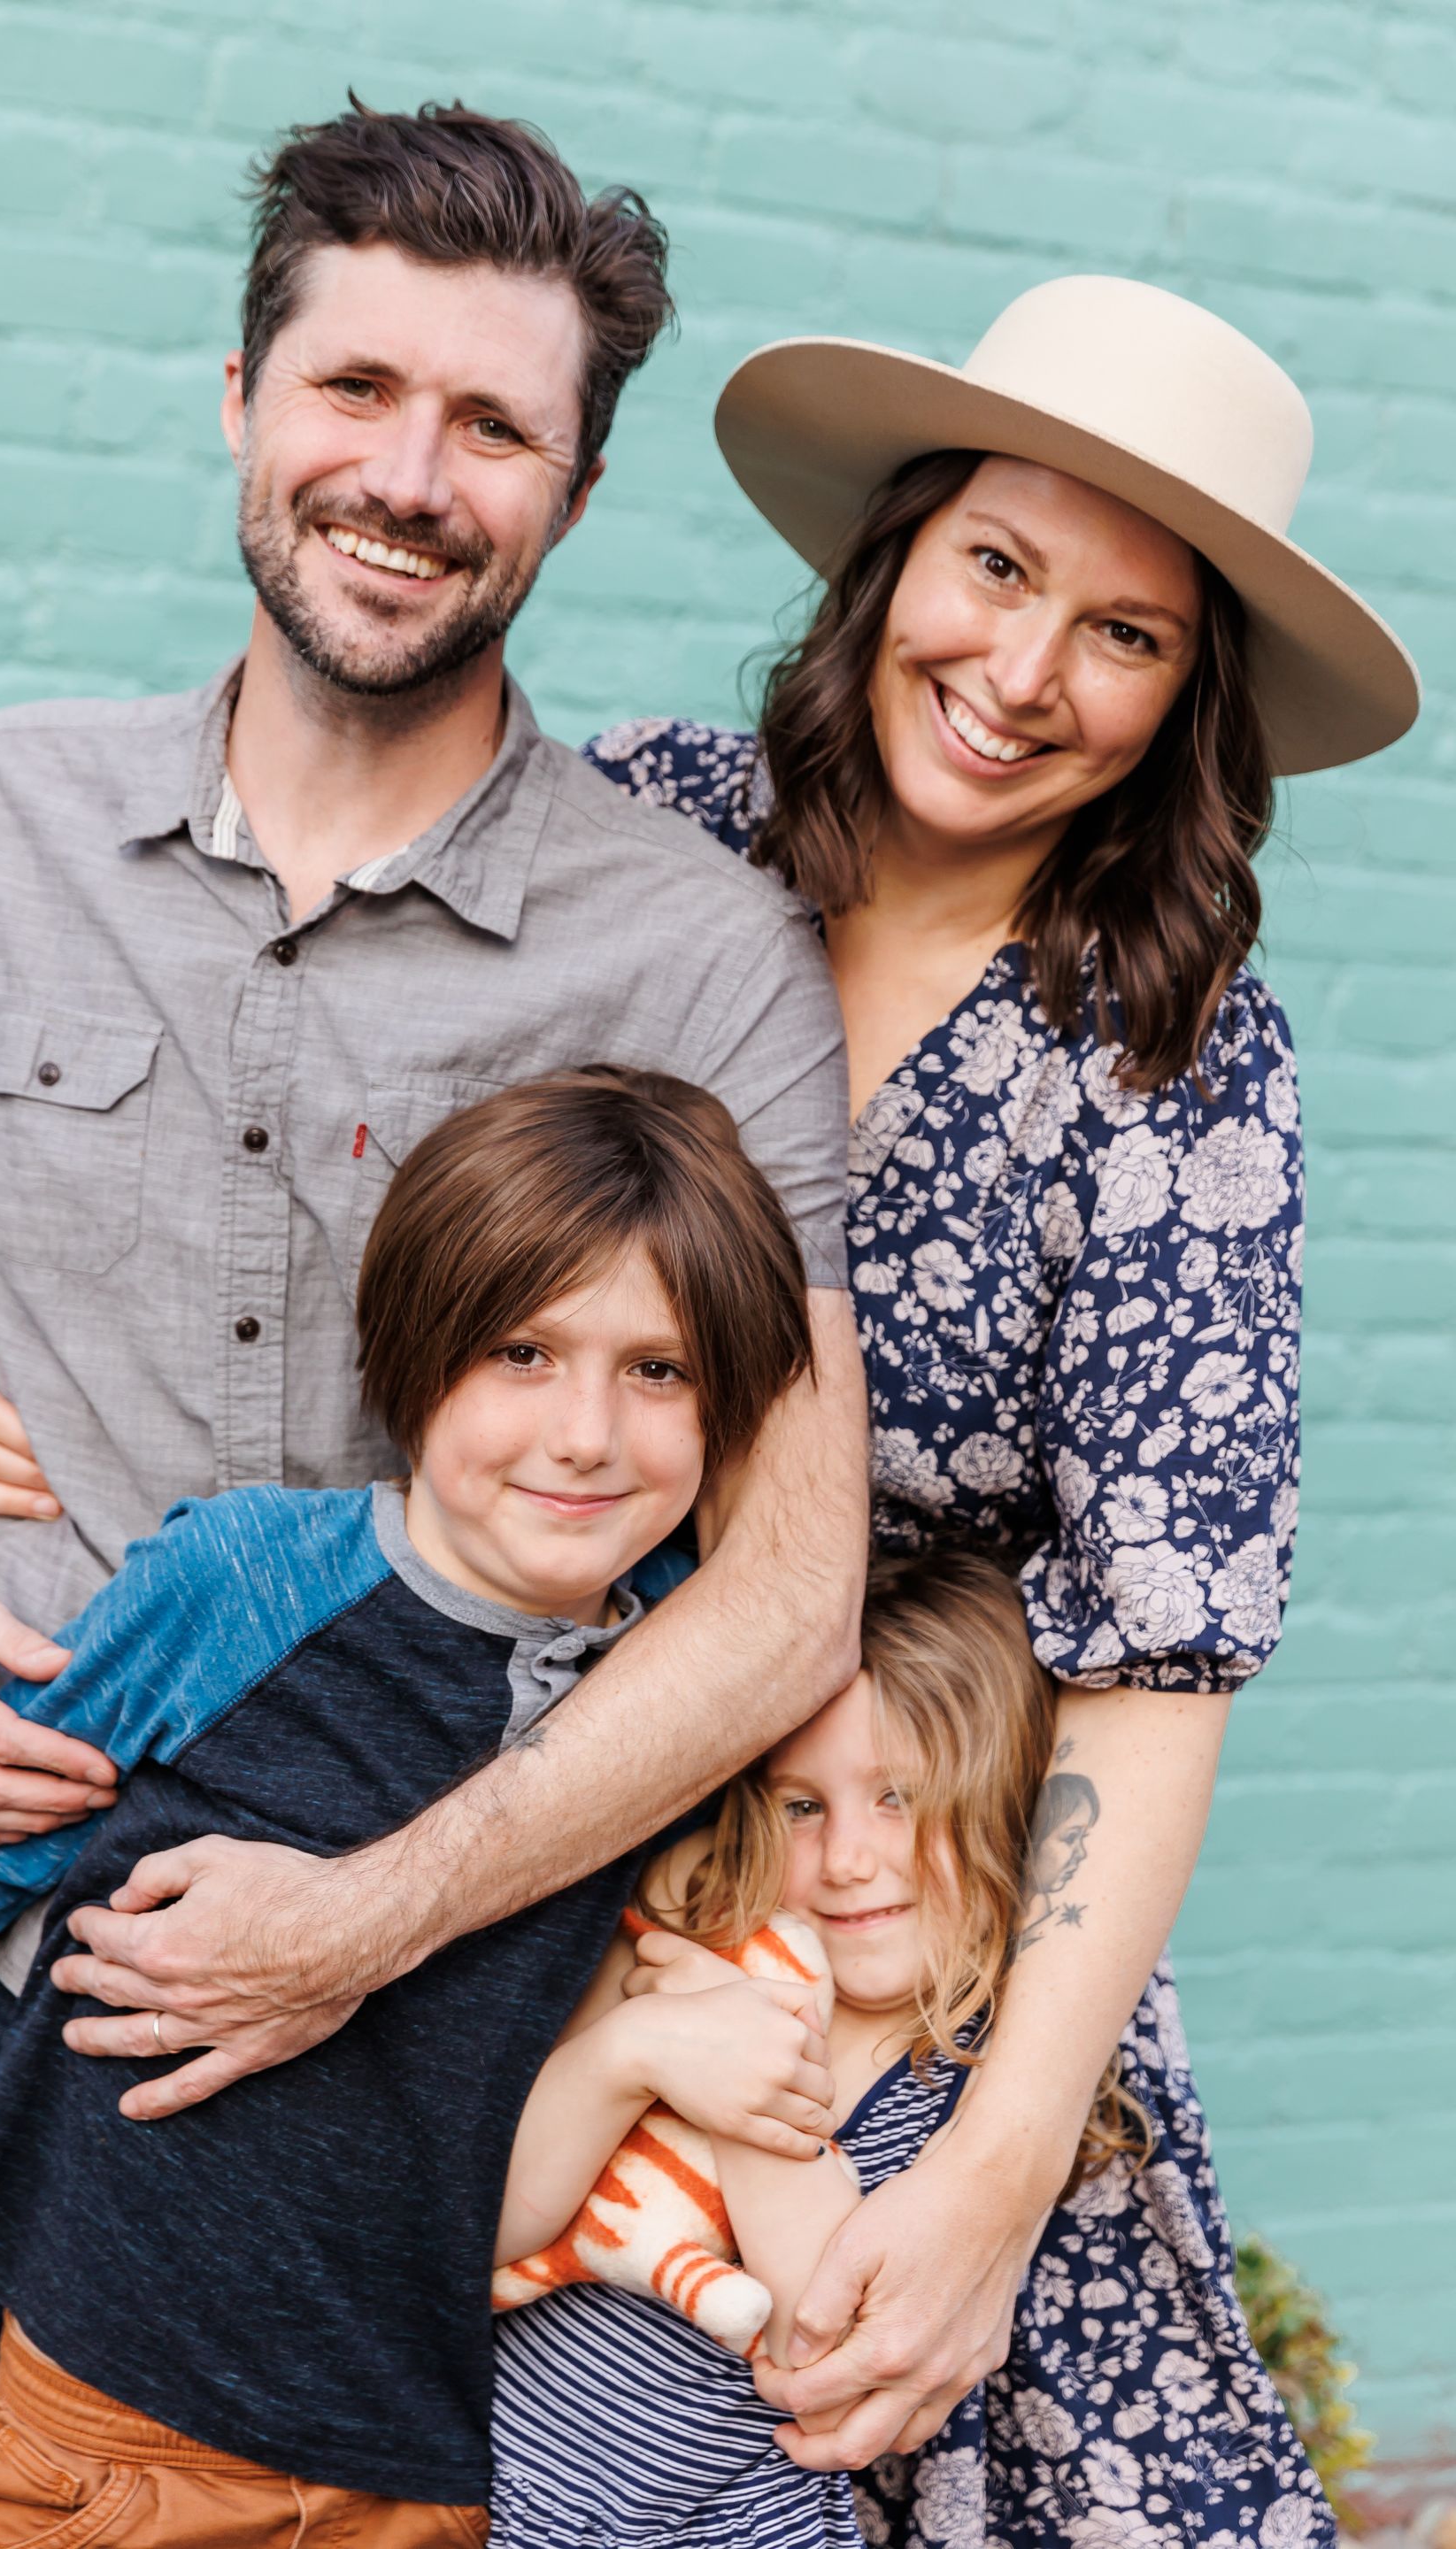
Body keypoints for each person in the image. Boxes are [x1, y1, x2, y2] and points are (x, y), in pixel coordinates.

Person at [0, 96, 863, 2510]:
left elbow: (793, 1589)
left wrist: (367, 1920)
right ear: (242, 397)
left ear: (573, 491)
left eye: (494, 426)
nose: (411, 475)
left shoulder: (697, 961)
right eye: (355, 387)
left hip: (346, 1982)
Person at [574, 274, 1418, 2505]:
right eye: (999, 566)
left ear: (1187, 701)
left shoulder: (1169, 1056)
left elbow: (1157, 1652)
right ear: (896, 554)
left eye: (1125, 633)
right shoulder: (643, 826)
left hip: (909, 1942)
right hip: (540, 1848)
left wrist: (1000, 2163)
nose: (1027, 672)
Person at [0, 1069, 828, 2549]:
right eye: (523, 1351)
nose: (587, 1432)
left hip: (421, 2461)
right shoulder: (248, 1582)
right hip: (114, 2444)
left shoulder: (677, 1682)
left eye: (660, 1370)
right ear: (420, 1346)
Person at [486, 1549, 1333, 2548]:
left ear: (1007, 1806)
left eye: (901, 1797)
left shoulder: (977, 2071)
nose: (848, 1859)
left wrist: (754, 2076)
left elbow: (824, 2350)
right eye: (803, 1806)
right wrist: (631, 2051)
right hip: (483, 2497)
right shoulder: (696, 1935)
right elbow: (491, 2226)